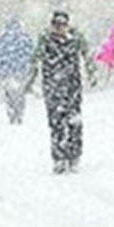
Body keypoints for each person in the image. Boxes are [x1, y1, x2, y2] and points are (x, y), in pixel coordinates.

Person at [28, 10, 91, 173]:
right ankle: (59, 158)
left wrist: (92, 73)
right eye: (57, 25)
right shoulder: (45, 39)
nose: (60, 29)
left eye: (63, 25)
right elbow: (35, 60)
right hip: (52, 87)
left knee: (74, 122)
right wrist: (30, 81)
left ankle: (74, 156)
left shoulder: (76, 38)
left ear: (68, 25)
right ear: (52, 25)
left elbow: (87, 55)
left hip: (72, 87)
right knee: (56, 123)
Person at [0, 15, 35, 124]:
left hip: (7, 71)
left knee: (9, 94)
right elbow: (30, 54)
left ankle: (12, 112)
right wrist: (30, 69)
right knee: (20, 93)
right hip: (21, 71)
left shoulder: (2, 38)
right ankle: (19, 112)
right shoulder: (25, 37)